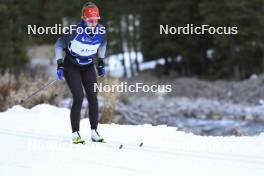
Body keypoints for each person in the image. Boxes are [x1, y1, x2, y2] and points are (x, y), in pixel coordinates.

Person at [54, 2, 107, 144]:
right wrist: (59, 64)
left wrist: (101, 62)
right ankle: (75, 133)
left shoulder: (101, 31)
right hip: (71, 66)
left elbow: (102, 45)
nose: (93, 23)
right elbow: (59, 44)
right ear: (83, 18)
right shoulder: (75, 30)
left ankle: (94, 132)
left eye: (96, 20)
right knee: (78, 97)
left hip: (88, 66)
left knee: (93, 98)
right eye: (90, 20)